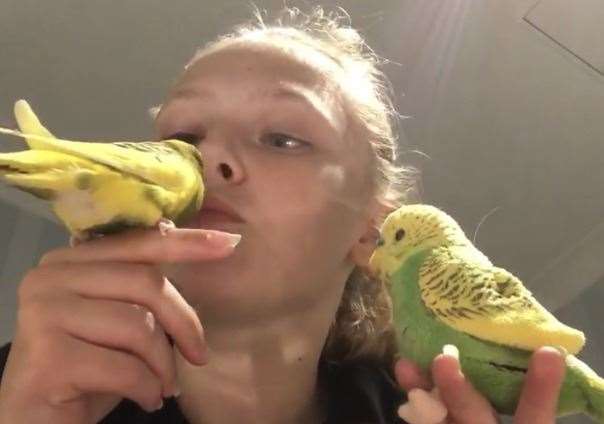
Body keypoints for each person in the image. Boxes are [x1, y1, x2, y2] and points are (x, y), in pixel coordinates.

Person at [0, 5, 567, 424]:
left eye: (282, 139)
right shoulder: (20, 388)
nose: (208, 157)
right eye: (182, 135)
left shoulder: (431, 412)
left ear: (371, 232)